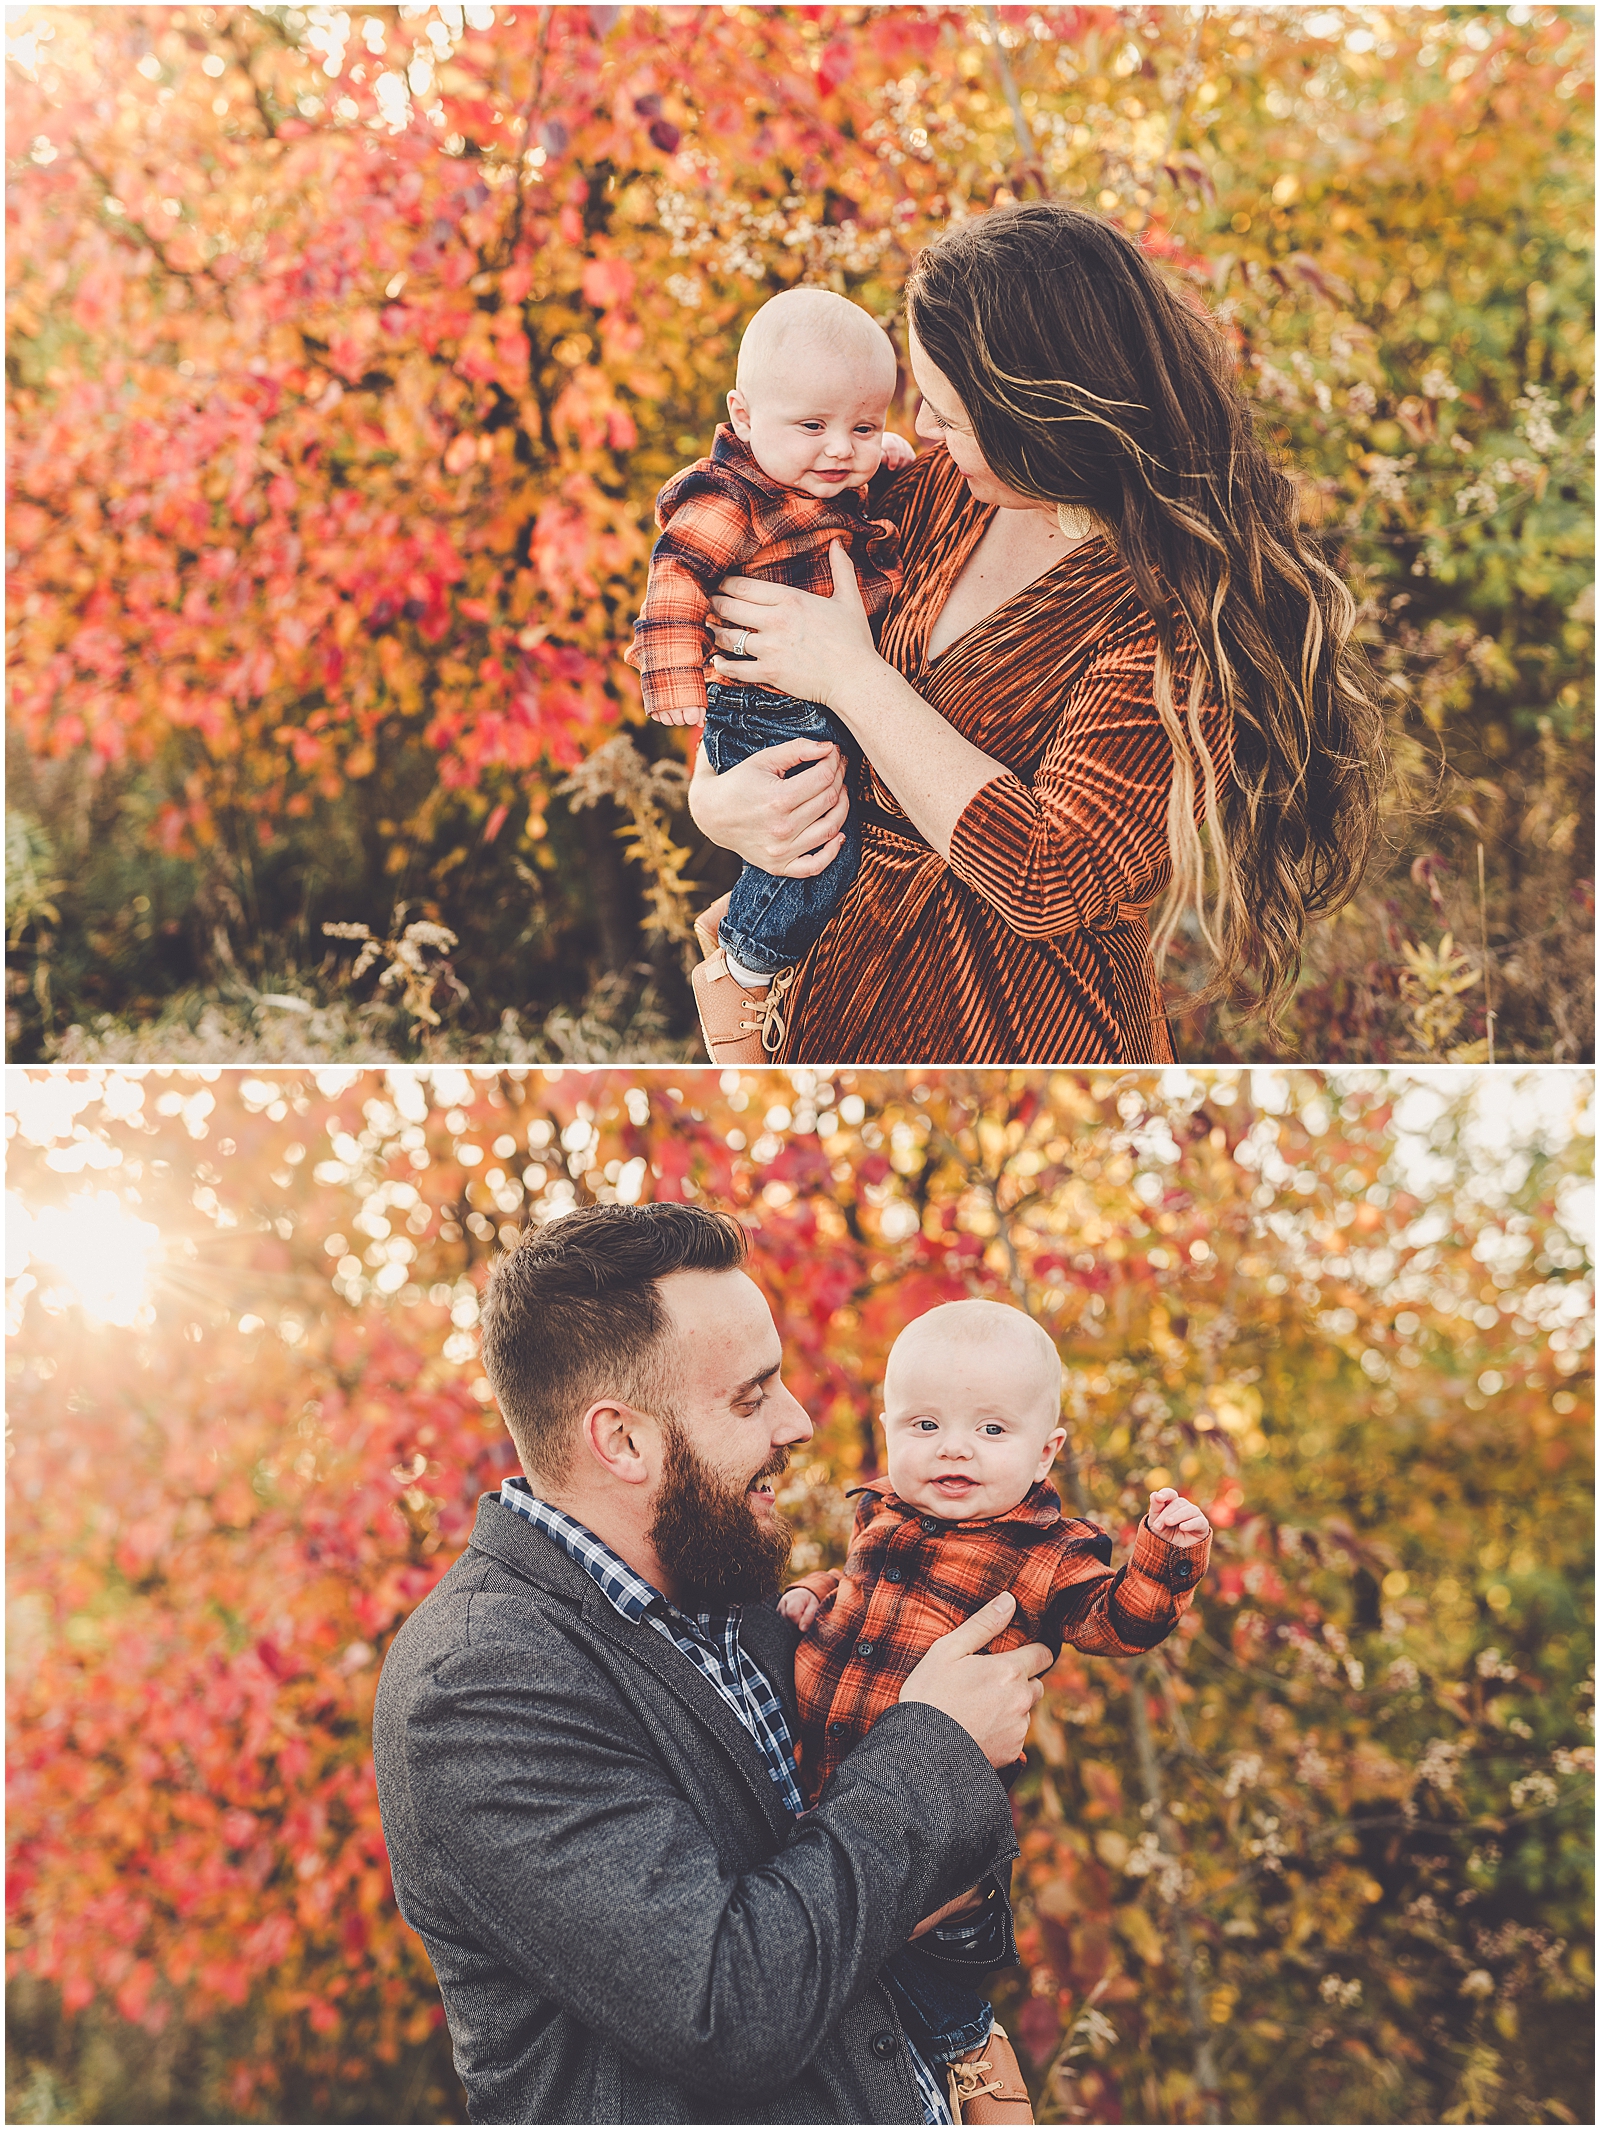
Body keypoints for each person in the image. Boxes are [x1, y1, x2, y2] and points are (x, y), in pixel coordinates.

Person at [372, 1203, 1054, 2124]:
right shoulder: (478, 1683)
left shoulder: (735, 1592)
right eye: (749, 1397)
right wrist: (932, 1743)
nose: (799, 1421)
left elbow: (886, 1897)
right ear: (623, 1440)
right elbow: (733, 2009)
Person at [687, 201, 1386, 1065]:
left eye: (950, 413)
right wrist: (715, 801)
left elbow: (1049, 874)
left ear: (1040, 417)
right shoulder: (932, 491)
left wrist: (853, 676)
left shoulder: (1182, 614)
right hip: (835, 997)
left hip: (1028, 1030)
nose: (922, 434)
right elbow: (757, 648)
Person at [778, 1299, 1213, 2120]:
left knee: (927, 1978)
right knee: (833, 1977)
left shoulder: (1044, 1554)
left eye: (990, 1431)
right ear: (887, 1429)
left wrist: (1168, 1554)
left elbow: (1120, 1619)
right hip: (823, 1808)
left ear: (1046, 1451)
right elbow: (856, 1594)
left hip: (936, 1845)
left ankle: (972, 2058)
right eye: (926, 1424)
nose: (952, 1449)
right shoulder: (882, 1516)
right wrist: (811, 1594)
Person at [624, 288, 914, 1065]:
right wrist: (680, 690)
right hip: (768, 707)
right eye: (813, 427)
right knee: (824, 847)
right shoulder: (730, 495)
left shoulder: (828, 480)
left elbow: (861, 506)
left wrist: (885, 464)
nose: (839, 449)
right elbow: (676, 578)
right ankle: (745, 964)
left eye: (865, 426)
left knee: (824, 841)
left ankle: (753, 929)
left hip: (822, 696)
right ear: (744, 418)